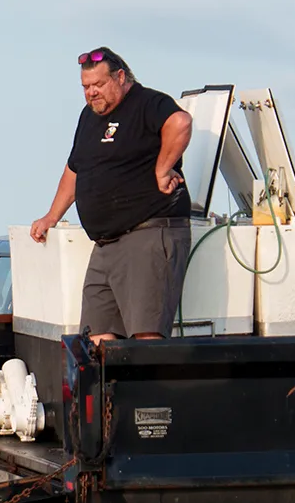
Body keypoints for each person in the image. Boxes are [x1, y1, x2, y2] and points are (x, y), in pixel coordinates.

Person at [29, 46, 195, 343]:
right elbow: (75, 169)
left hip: (147, 234)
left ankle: (147, 390)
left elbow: (180, 122)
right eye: (85, 87)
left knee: (145, 337)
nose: (91, 93)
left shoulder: (147, 102)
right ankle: (109, 391)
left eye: (98, 85)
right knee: (96, 341)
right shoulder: (88, 117)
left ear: (120, 77)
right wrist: (52, 216)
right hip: (105, 244)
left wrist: (163, 169)